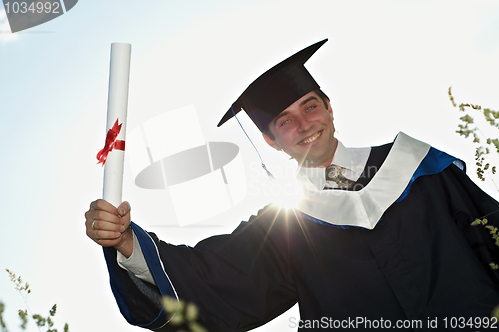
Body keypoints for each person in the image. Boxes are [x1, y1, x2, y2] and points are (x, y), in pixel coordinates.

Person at [85, 39, 499, 331]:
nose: (304, 125)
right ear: (270, 140)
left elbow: (492, 236)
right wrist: (126, 243)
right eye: (285, 121)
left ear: (329, 107)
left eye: (310, 106)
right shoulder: (285, 228)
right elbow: (213, 280)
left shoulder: (421, 169)